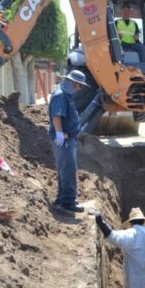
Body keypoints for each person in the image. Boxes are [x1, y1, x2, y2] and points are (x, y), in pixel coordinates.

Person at [48, 70, 88, 215]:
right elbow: (57, 116)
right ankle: (67, 203)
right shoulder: (61, 96)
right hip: (64, 138)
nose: (80, 89)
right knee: (68, 170)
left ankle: (62, 199)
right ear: (75, 83)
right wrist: (59, 133)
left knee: (65, 169)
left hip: (67, 137)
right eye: (80, 86)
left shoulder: (66, 94)